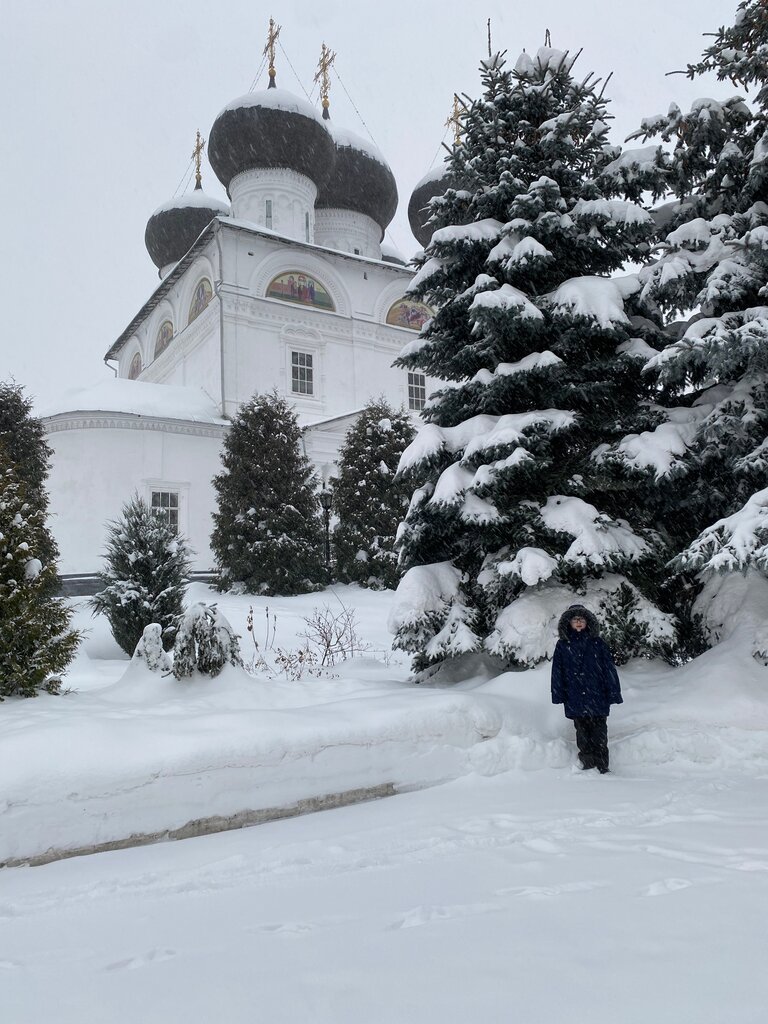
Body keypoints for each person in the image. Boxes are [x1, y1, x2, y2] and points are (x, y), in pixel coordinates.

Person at [551, 604, 622, 774]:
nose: (578, 622)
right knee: (582, 733)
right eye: (575, 619)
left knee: (600, 733)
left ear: (588, 622)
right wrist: (558, 693)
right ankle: (589, 764)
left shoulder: (597, 643)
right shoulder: (562, 645)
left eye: (581, 619)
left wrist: (613, 692)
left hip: (597, 696)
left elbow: (608, 669)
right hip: (575, 697)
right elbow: (557, 672)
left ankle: (603, 765)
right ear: (568, 623)